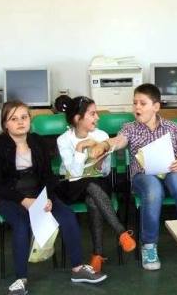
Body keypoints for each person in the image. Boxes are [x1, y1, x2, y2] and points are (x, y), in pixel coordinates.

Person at [0, 101, 105, 295]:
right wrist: (23, 200)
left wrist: (46, 198)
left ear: (29, 120)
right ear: (5, 124)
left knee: (67, 216)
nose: (20, 122)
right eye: (14, 119)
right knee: (22, 224)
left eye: (24, 117)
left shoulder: (38, 142)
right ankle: (21, 279)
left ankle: (77, 269)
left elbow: (49, 177)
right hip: (10, 197)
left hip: (39, 194)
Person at [88, 84, 177, 270]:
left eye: (142, 103)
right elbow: (119, 141)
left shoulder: (172, 128)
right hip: (143, 176)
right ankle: (149, 245)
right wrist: (105, 145)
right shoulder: (130, 128)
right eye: (135, 103)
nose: (137, 107)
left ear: (156, 107)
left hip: (169, 171)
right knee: (153, 189)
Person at [56, 95, 135, 273]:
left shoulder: (101, 136)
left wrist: (100, 164)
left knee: (93, 197)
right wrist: (80, 148)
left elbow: (105, 172)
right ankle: (121, 232)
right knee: (89, 185)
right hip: (72, 185)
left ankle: (98, 255)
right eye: (92, 114)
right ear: (78, 118)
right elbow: (75, 173)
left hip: (97, 182)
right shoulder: (63, 140)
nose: (97, 117)